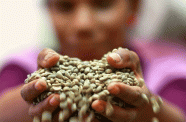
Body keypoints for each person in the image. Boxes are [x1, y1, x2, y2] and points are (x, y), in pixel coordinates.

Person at [0, 0, 185, 121]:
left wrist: (146, 107)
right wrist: (35, 97)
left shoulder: (170, 69)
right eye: (65, 6)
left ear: (133, 8)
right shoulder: (21, 67)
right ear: (49, 9)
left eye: (103, 4)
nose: (83, 24)